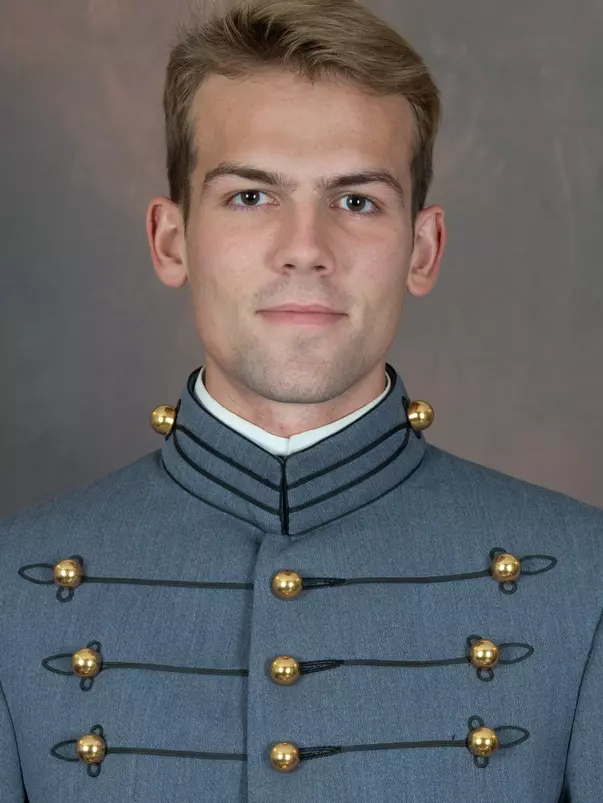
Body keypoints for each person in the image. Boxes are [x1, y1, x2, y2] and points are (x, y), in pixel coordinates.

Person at [1, 0, 601, 799]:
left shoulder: (582, 578)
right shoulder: (15, 585)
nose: (305, 250)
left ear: (421, 250)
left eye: (356, 201)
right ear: (171, 240)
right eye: (251, 196)